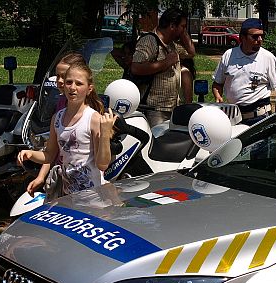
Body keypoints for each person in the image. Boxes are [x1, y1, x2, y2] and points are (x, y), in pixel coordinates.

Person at [17, 59, 117, 197]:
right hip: (68, 195)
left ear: (89, 89)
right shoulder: (57, 118)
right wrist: (30, 154)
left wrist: (105, 134)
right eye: (69, 82)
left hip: (93, 195)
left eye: (79, 83)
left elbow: (102, 164)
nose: (72, 87)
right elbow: (49, 155)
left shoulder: (93, 119)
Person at [26, 53, 85, 197]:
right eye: (57, 76)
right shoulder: (60, 105)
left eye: (64, 77)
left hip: (84, 181)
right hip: (63, 175)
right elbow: (53, 149)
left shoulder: (91, 114)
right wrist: (41, 177)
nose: (59, 81)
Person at [212, 18, 276, 126]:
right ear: (242, 37)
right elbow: (217, 83)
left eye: (262, 36)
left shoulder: (268, 58)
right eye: (255, 36)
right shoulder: (229, 55)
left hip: (259, 119)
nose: (260, 39)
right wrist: (218, 96)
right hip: (232, 118)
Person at [130, 8, 195, 126]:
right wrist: (166, 62)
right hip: (155, 110)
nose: (184, 30)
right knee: (157, 137)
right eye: (182, 26)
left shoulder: (171, 44)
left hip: (171, 108)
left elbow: (191, 52)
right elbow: (136, 67)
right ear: (172, 26)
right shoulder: (149, 41)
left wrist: (183, 32)